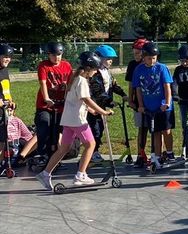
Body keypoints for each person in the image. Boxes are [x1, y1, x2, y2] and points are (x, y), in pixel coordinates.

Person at [35, 52, 114, 190]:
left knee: (64, 148)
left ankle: (45, 173)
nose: (95, 72)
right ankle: (80, 175)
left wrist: (91, 110)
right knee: (90, 144)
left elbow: (74, 100)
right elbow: (86, 99)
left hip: (68, 119)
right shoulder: (82, 81)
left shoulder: (74, 78)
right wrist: (103, 111)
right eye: (95, 69)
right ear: (89, 68)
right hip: (78, 120)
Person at [132, 42, 175, 169]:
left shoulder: (162, 68)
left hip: (163, 106)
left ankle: (170, 153)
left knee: (166, 130)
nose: (152, 61)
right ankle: (156, 156)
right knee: (155, 132)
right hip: (149, 107)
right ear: (143, 57)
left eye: (154, 58)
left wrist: (166, 102)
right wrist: (140, 105)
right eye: (149, 58)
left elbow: (167, 87)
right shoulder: (139, 70)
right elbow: (138, 89)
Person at [88, 45, 128, 162]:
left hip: (102, 105)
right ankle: (92, 152)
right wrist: (110, 102)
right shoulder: (95, 73)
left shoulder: (107, 72)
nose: (110, 61)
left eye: (111, 59)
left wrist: (123, 94)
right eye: (107, 59)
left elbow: (113, 85)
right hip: (93, 106)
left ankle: (94, 150)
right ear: (99, 58)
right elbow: (97, 92)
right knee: (95, 129)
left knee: (100, 129)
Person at [33, 42, 72, 162]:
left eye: (59, 55)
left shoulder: (66, 65)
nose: (57, 58)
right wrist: (46, 98)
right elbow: (43, 83)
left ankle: (55, 155)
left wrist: (68, 97)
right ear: (48, 55)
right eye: (54, 55)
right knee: (45, 124)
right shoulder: (44, 66)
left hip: (61, 104)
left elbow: (70, 83)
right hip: (45, 105)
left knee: (58, 129)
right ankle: (42, 153)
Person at [125, 37, 149, 167]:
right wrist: (130, 99)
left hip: (151, 100)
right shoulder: (132, 65)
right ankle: (140, 154)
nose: (136, 56)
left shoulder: (151, 63)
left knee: (156, 129)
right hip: (137, 102)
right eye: (134, 53)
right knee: (142, 127)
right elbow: (130, 85)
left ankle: (159, 154)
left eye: (138, 53)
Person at [0, 43, 14, 156]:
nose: (7, 59)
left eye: (9, 57)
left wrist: (11, 102)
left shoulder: (5, 71)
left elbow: (6, 90)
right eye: (4, 56)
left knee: (2, 140)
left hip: (3, 110)